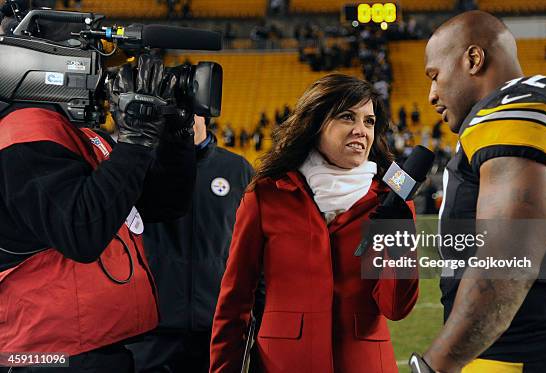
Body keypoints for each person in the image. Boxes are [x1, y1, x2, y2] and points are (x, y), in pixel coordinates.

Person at [411, 10, 546, 372]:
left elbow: (506, 262)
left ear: (473, 59)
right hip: (539, 348)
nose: (432, 95)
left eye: (436, 76)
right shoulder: (536, 104)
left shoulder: (512, 110)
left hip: (520, 358)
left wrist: (435, 364)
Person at [209, 73, 419, 372]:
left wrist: (399, 239)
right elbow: (235, 300)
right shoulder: (267, 195)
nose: (361, 130)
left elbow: (396, 308)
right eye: (348, 117)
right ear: (316, 122)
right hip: (282, 363)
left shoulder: (391, 199)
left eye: (369, 121)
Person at [0, 53, 196, 372]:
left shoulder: (78, 136)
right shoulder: (22, 136)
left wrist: (174, 133)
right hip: (47, 354)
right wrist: (136, 141)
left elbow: (165, 202)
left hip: (90, 346)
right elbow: (81, 233)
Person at [127, 115, 259, 373]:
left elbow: (256, 249)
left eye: (190, 109)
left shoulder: (238, 169)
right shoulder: (143, 167)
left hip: (216, 327)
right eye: (174, 109)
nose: (183, 116)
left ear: (206, 114)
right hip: (153, 330)